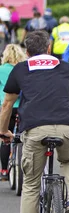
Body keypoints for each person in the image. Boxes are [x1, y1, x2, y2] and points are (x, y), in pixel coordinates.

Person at [0, 30, 69, 213]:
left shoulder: (21, 68)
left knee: (30, 184)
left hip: (35, 129)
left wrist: (3, 131)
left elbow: (7, 104)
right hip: (66, 127)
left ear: (27, 51)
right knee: (68, 159)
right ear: (49, 48)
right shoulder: (66, 66)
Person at [0, 44, 27, 180]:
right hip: (22, 106)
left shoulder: (1, 69)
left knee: (5, 137)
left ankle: (4, 170)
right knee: (24, 136)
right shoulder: (22, 70)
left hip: (6, 107)